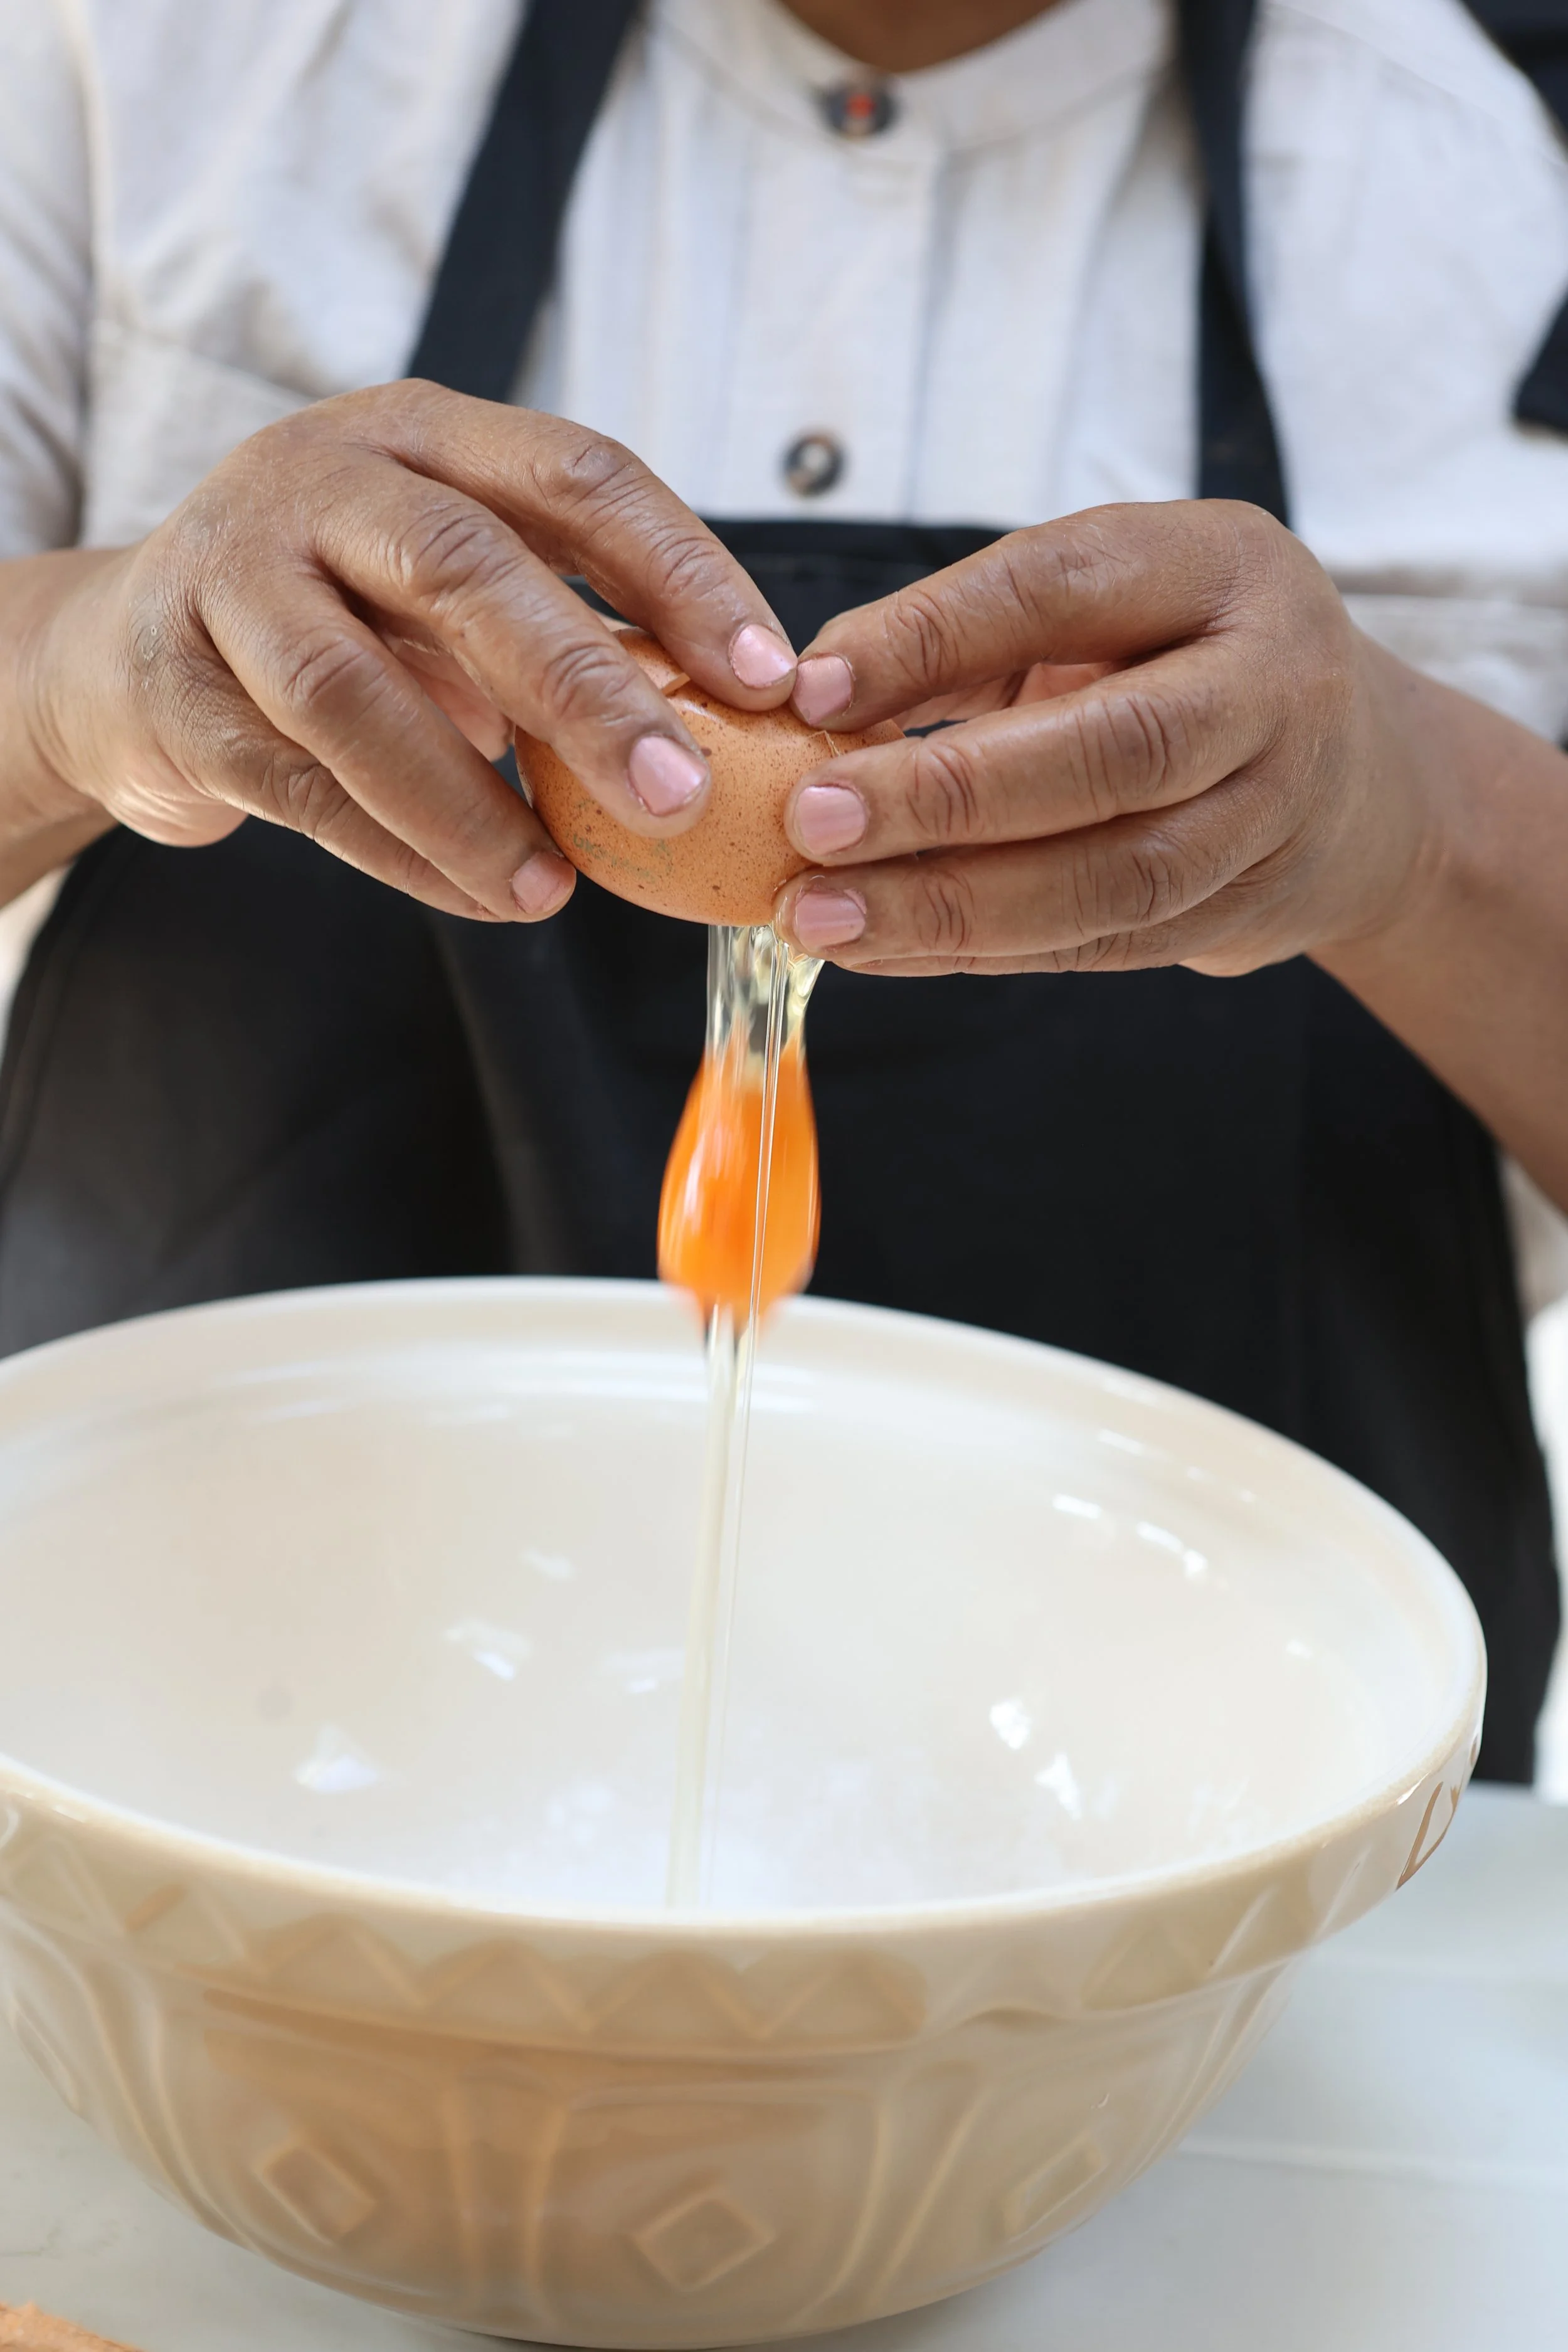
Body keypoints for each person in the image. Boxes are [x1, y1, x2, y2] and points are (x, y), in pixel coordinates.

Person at [1, 0, 1567, 1778]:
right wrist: (79, 671)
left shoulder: (1507, 162)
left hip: (1193, 1848)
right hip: (183, 1765)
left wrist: (1429, 819)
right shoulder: (156, 57)